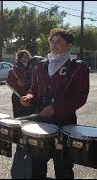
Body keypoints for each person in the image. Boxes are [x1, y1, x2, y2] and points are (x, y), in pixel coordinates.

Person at [20, 28, 90, 179]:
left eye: (59, 42)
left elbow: (80, 97)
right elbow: (34, 90)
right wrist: (29, 97)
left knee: (63, 166)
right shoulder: (40, 66)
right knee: (37, 162)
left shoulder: (78, 67)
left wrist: (55, 108)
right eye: (52, 41)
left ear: (69, 45)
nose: (54, 45)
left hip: (64, 121)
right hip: (41, 121)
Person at [6, 50, 37, 179]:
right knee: (20, 119)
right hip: (19, 98)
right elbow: (9, 82)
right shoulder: (14, 69)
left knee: (31, 119)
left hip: (31, 98)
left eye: (28, 56)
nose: (26, 57)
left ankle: (29, 139)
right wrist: (18, 85)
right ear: (19, 58)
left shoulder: (34, 67)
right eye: (24, 56)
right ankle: (20, 140)